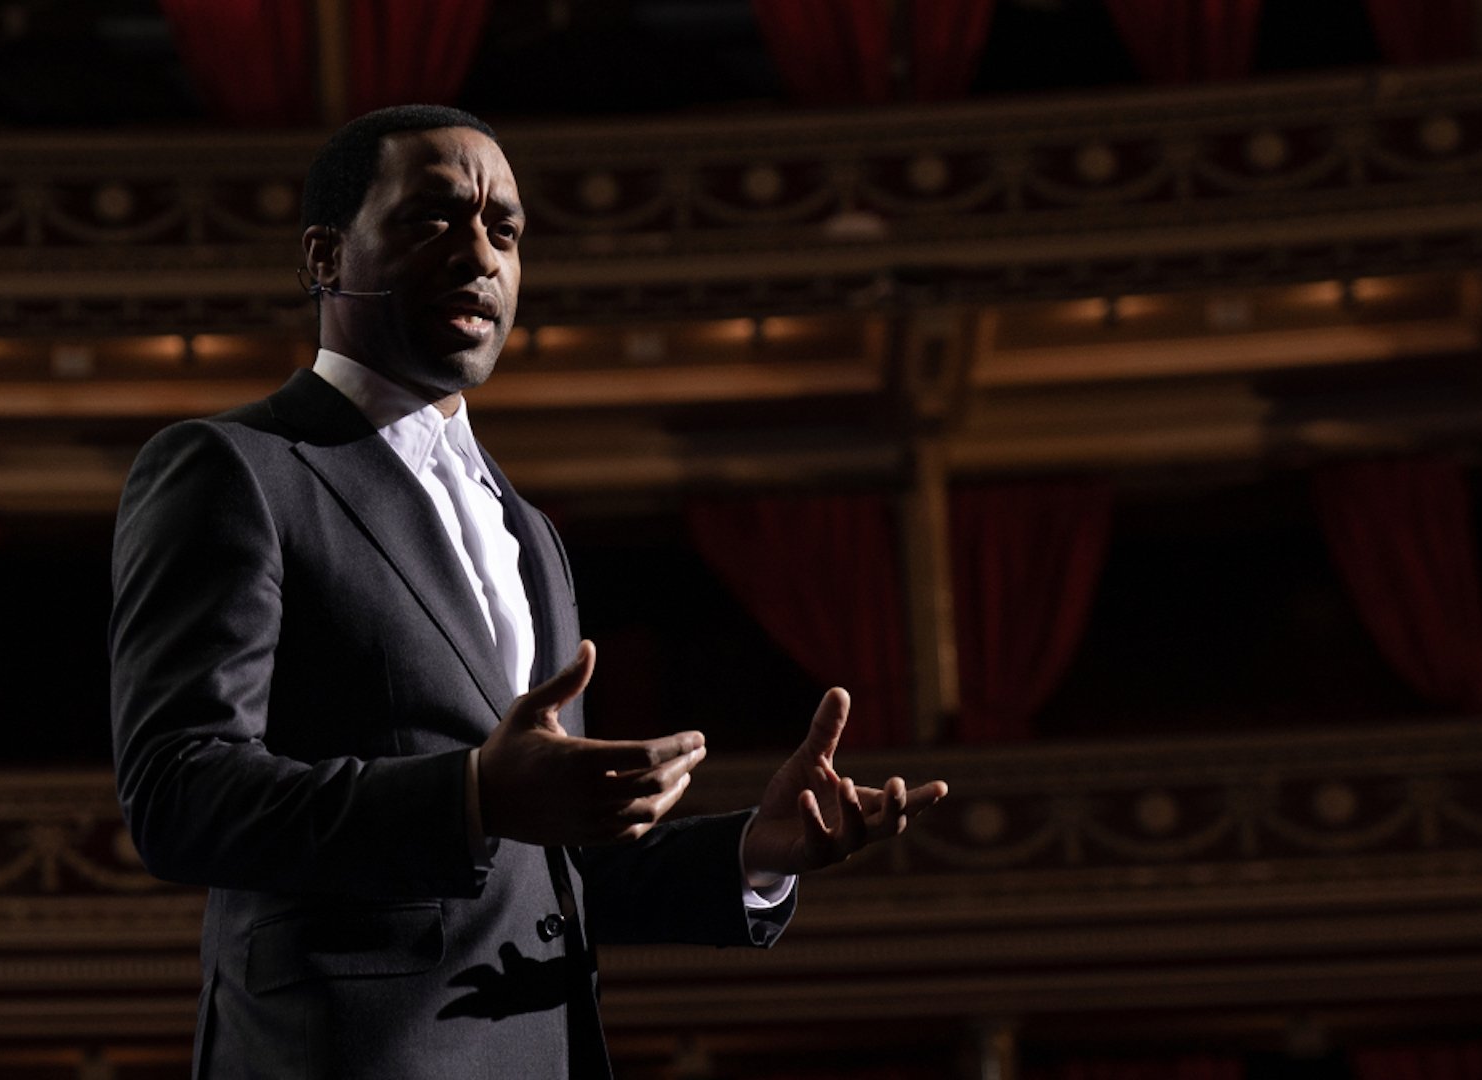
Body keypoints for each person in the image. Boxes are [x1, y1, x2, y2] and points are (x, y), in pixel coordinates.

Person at [109, 104, 948, 1080]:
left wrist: (752, 856)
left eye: (505, 231)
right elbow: (179, 794)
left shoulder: (529, 532)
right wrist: (469, 795)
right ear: (324, 256)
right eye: (434, 218)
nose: (480, 254)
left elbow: (547, 866)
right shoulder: (233, 468)